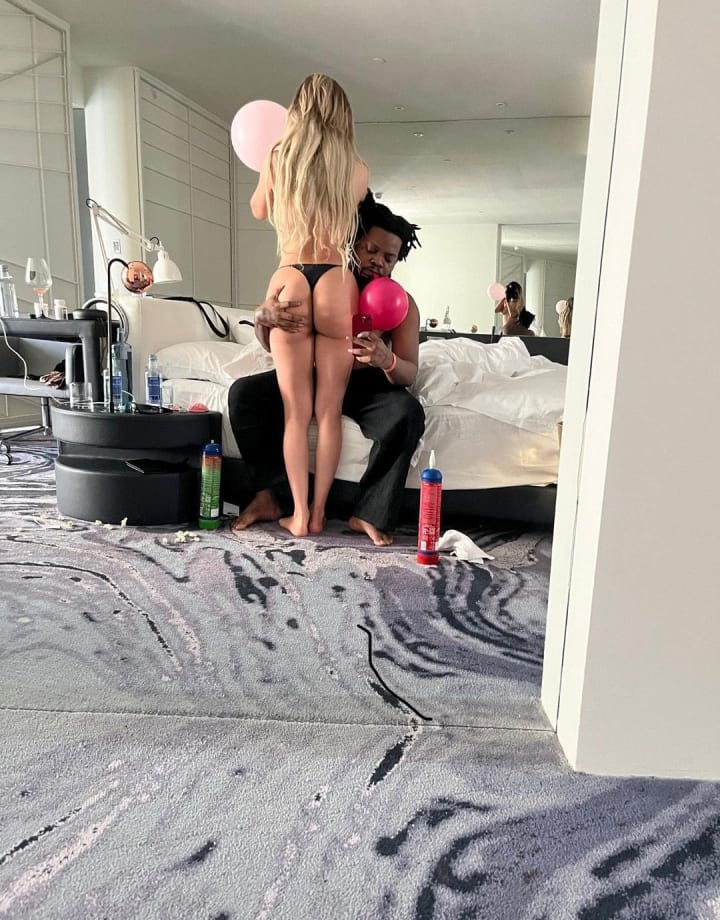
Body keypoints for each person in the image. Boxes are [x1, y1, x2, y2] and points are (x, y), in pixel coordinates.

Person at [229, 192, 424, 546]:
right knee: (244, 394)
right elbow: (273, 345)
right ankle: (272, 496)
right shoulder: (327, 284)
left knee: (407, 413)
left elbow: (409, 373)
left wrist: (387, 360)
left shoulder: (402, 304)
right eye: (371, 250)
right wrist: (261, 318)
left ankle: (369, 513)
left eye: (389, 258)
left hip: (365, 385)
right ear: (354, 244)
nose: (378, 262)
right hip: (310, 375)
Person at [250, 73, 369, 537]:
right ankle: (321, 512)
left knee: (295, 414)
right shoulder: (355, 166)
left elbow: (259, 209)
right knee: (329, 411)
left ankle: (298, 515)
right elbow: (354, 205)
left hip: (292, 276)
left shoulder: (278, 157)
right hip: (337, 279)